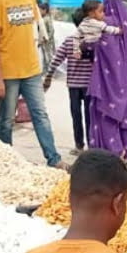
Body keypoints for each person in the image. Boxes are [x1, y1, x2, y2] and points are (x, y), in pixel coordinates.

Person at [0, 0, 65, 169]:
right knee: (6, 120)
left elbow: (34, 33)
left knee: (40, 115)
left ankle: (54, 159)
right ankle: (6, 162)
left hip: (31, 70)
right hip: (9, 72)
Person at [87, 0, 127, 162]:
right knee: (124, 114)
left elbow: (91, 46)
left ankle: (113, 152)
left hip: (107, 81)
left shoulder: (102, 24)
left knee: (106, 114)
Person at [44, 9, 93, 155]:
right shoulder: (94, 40)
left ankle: (79, 145)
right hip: (89, 86)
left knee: (76, 115)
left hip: (73, 85)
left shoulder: (70, 39)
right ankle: (92, 145)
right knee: (90, 116)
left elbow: (56, 59)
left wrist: (48, 76)